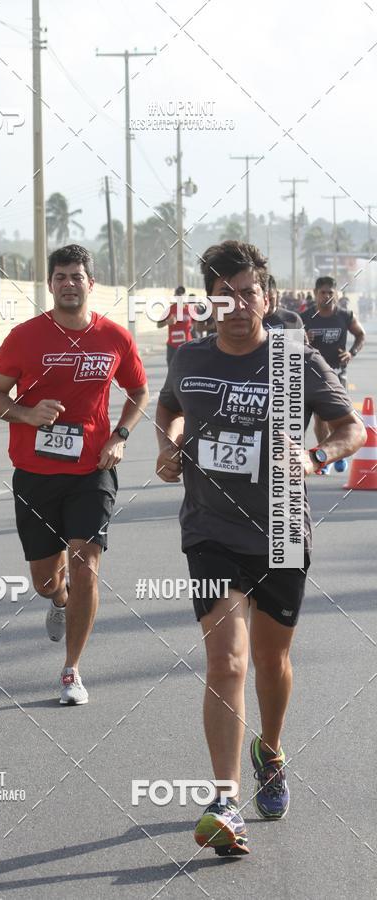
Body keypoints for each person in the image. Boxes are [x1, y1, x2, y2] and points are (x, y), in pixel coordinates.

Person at [155, 240, 365, 856]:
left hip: (281, 531)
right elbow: (169, 410)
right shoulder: (189, 359)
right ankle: (225, 799)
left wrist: (316, 454)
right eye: (225, 295)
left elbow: (351, 426)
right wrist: (167, 448)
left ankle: (270, 749)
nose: (239, 305)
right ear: (210, 302)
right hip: (210, 532)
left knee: (271, 663)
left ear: (267, 299)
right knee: (227, 661)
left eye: (249, 293)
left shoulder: (295, 361)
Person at [0, 244, 149, 705]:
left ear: (91, 284)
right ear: (50, 285)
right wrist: (26, 412)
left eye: (77, 276)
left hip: (92, 470)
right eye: (60, 276)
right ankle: (59, 601)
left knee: (86, 565)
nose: (69, 283)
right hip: (35, 472)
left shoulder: (114, 337)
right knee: (46, 579)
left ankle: (71, 670)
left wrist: (120, 436)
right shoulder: (25, 337)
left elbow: (138, 391)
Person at [302, 276, 365, 472]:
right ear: (315, 294)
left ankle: (338, 454)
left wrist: (351, 353)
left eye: (331, 292)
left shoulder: (345, 315)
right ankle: (324, 458)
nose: (327, 296)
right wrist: (304, 339)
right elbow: (291, 342)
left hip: (337, 372)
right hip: (314, 373)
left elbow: (360, 335)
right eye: (323, 292)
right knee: (320, 418)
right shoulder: (304, 317)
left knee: (338, 416)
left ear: (336, 294)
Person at [157, 286, 193, 367]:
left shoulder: (190, 310)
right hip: (173, 347)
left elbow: (196, 325)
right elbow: (158, 325)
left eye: (182, 295)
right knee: (172, 374)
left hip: (187, 346)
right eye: (178, 295)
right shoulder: (170, 309)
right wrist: (167, 322)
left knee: (187, 372)